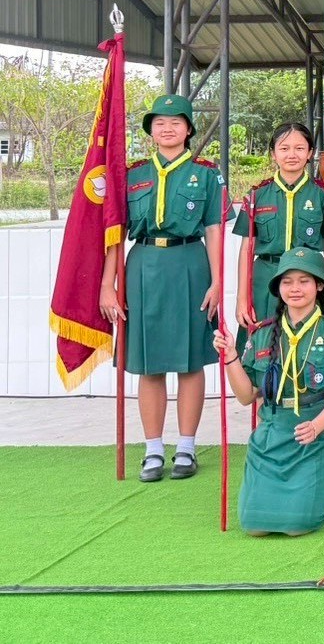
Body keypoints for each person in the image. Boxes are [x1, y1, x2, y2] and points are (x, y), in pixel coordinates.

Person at [100, 94, 225, 482]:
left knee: (190, 361)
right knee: (148, 361)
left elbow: (214, 229)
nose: (167, 128)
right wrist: (107, 285)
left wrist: (218, 280)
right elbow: (115, 232)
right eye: (159, 123)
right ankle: (153, 449)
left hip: (190, 264)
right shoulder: (132, 175)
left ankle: (186, 447)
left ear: (189, 130)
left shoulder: (207, 174)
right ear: (150, 131)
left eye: (176, 122)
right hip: (143, 266)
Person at [214, 248, 324, 534]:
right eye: (287, 281)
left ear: (319, 285)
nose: (295, 288)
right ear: (278, 287)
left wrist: (316, 427)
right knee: (254, 524)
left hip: (319, 435)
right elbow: (246, 396)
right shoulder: (262, 333)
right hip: (274, 434)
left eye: (304, 281)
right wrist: (230, 357)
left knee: (297, 524)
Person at [234, 123, 324, 355]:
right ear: (273, 153)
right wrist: (242, 298)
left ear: (310, 153)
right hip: (266, 280)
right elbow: (245, 250)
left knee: (308, 350)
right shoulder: (257, 195)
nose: (292, 154)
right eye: (284, 148)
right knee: (260, 349)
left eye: (299, 148)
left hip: (308, 280)